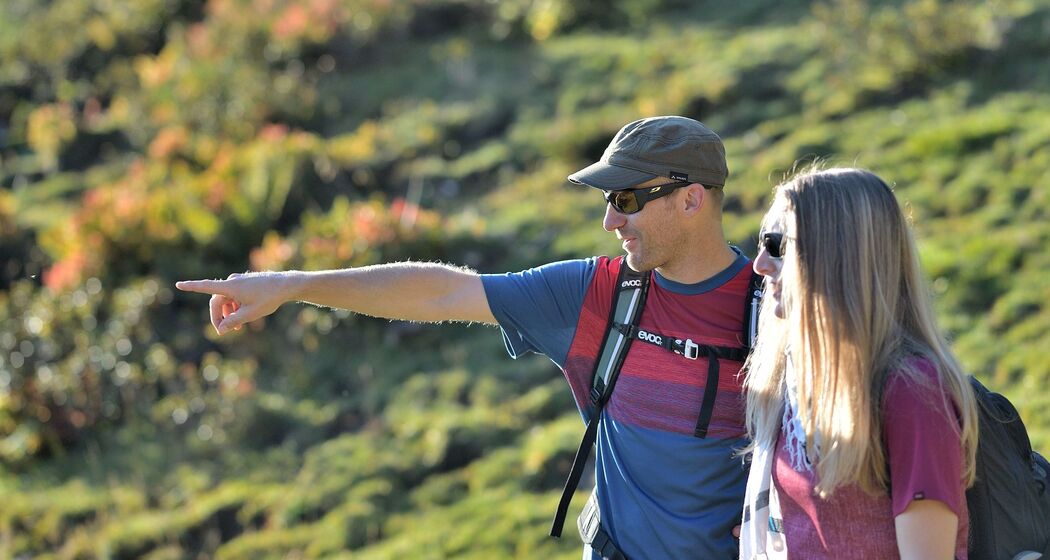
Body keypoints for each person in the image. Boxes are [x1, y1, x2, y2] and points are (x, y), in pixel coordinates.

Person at [177, 116, 754, 559]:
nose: (610, 221)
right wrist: (294, 285)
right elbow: (441, 293)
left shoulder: (776, 309)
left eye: (626, 199)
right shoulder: (596, 295)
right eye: (608, 200)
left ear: (692, 199)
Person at [738, 167, 979, 559]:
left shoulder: (913, 392)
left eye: (777, 245)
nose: (760, 264)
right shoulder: (794, 379)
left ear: (836, 255)